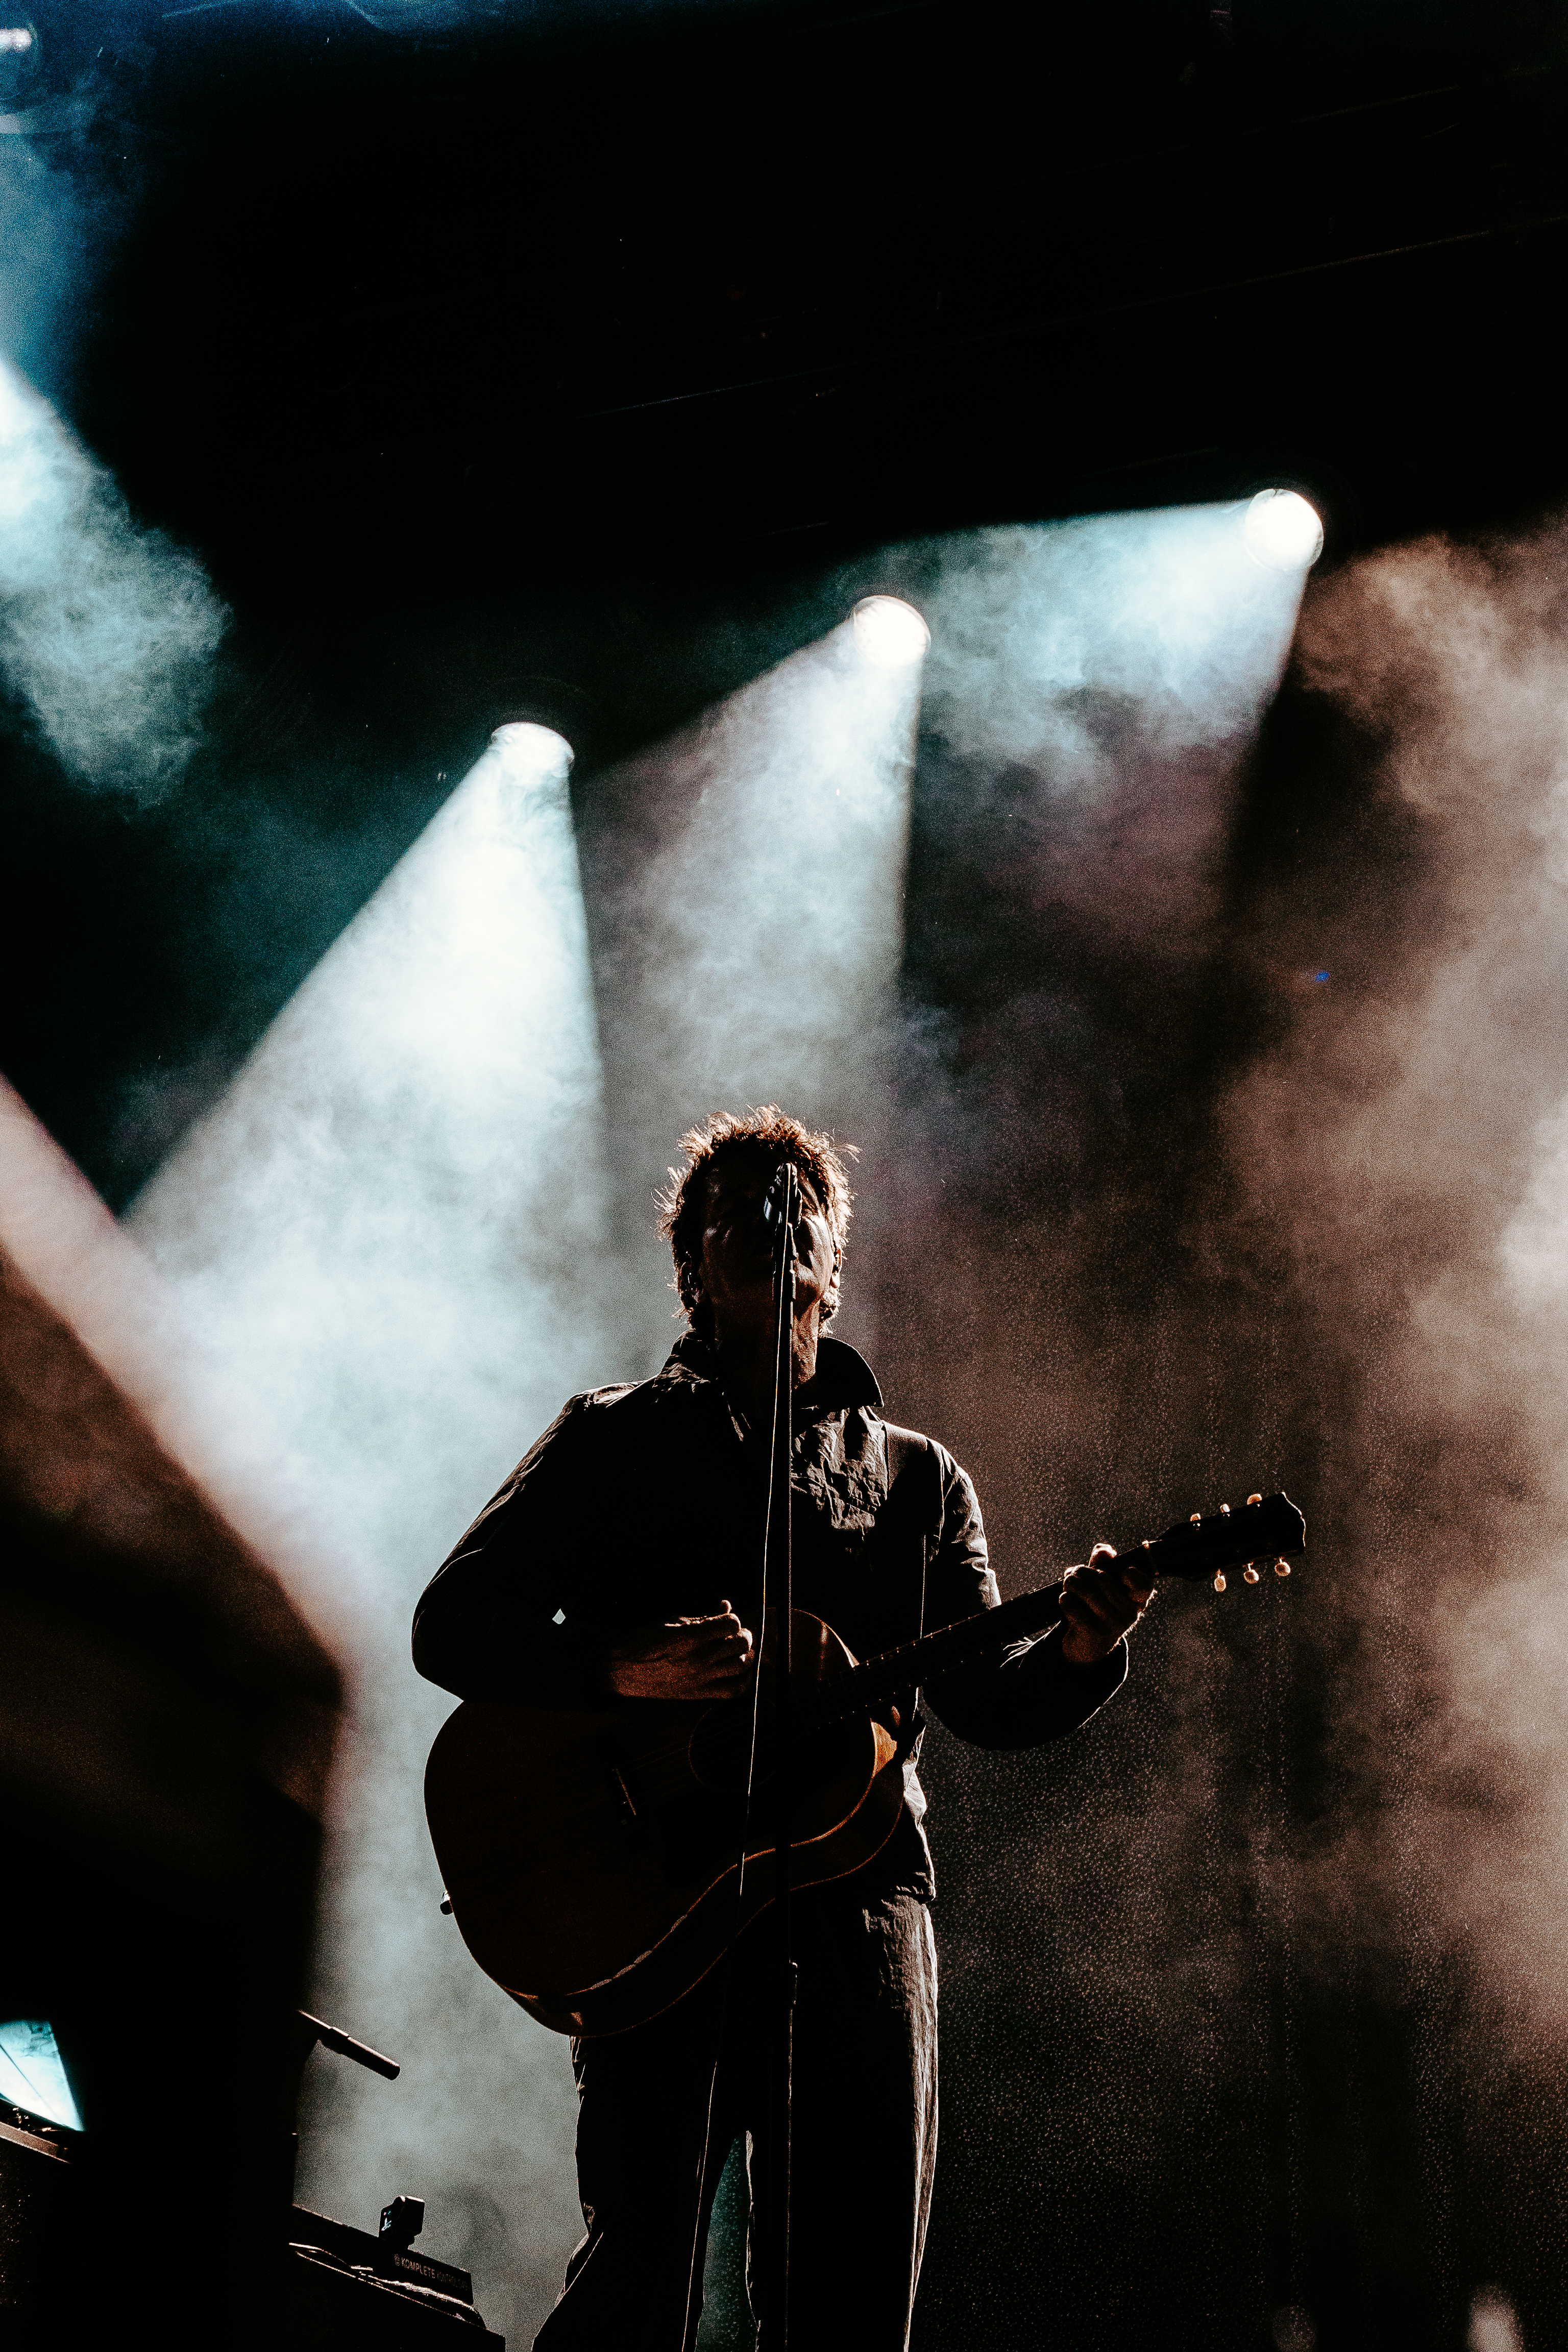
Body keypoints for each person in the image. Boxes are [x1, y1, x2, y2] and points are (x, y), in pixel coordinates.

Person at [412, 1106, 1152, 2351]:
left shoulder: (918, 1479)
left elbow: (988, 1697)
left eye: (800, 1206)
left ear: (833, 1263)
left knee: (850, 2303)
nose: (775, 1219)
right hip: (663, 1896)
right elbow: (452, 1627)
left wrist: (1086, 1644)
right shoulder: (612, 1435)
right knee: (636, 2276)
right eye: (737, 1209)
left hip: (859, 1909)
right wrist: (619, 1671)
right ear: (693, 1266)